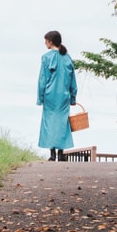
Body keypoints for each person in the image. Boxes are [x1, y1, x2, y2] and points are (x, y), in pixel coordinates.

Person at [36, 30, 78, 161]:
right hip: (64, 96)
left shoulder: (46, 57)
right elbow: (73, 80)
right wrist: (73, 97)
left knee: (49, 123)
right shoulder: (67, 58)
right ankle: (61, 153)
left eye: (45, 41)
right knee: (62, 123)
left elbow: (42, 79)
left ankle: (52, 154)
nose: (44, 43)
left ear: (50, 41)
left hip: (50, 96)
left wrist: (40, 97)